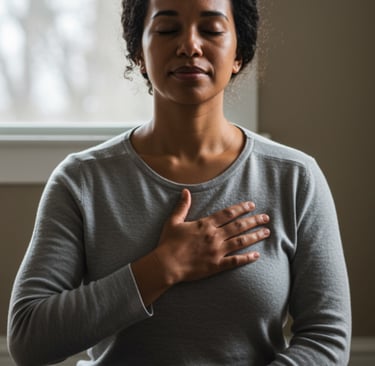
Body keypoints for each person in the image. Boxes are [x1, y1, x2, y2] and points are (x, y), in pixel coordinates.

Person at [7, 0, 351, 365]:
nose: (189, 45)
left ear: (239, 54)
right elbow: (29, 338)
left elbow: (326, 339)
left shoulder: (296, 178)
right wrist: (163, 267)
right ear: (139, 52)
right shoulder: (81, 180)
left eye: (212, 29)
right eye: (168, 29)